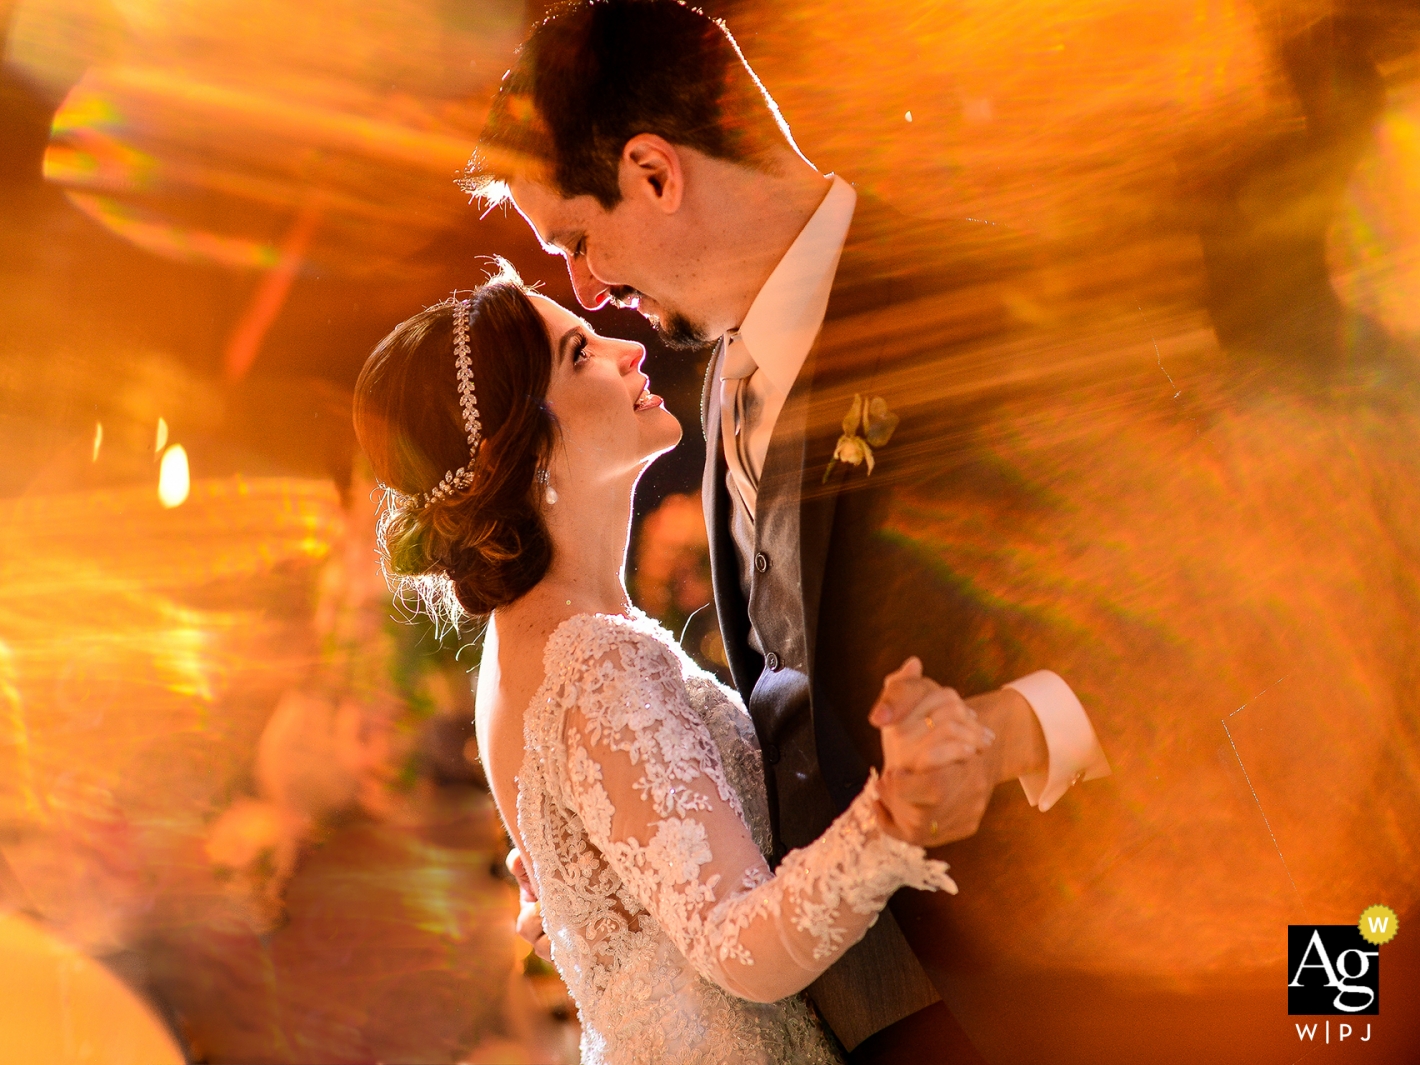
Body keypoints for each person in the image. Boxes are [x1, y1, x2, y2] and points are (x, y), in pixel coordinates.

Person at [462, 3, 1110, 1061]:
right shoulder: (719, 386)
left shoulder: (987, 297)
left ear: (655, 172)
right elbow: (787, 723)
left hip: (1049, 996)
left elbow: (1204, 617)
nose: (586, 290)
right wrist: (618, 868)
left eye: (577, 241)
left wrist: (1008, 733)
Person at [351, 267, 1035, 1063]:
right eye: (579, 354)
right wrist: (893, 820)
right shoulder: (594, 659)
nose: (626, 349)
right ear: (527, 450)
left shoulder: (526, 653)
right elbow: (739, 949)